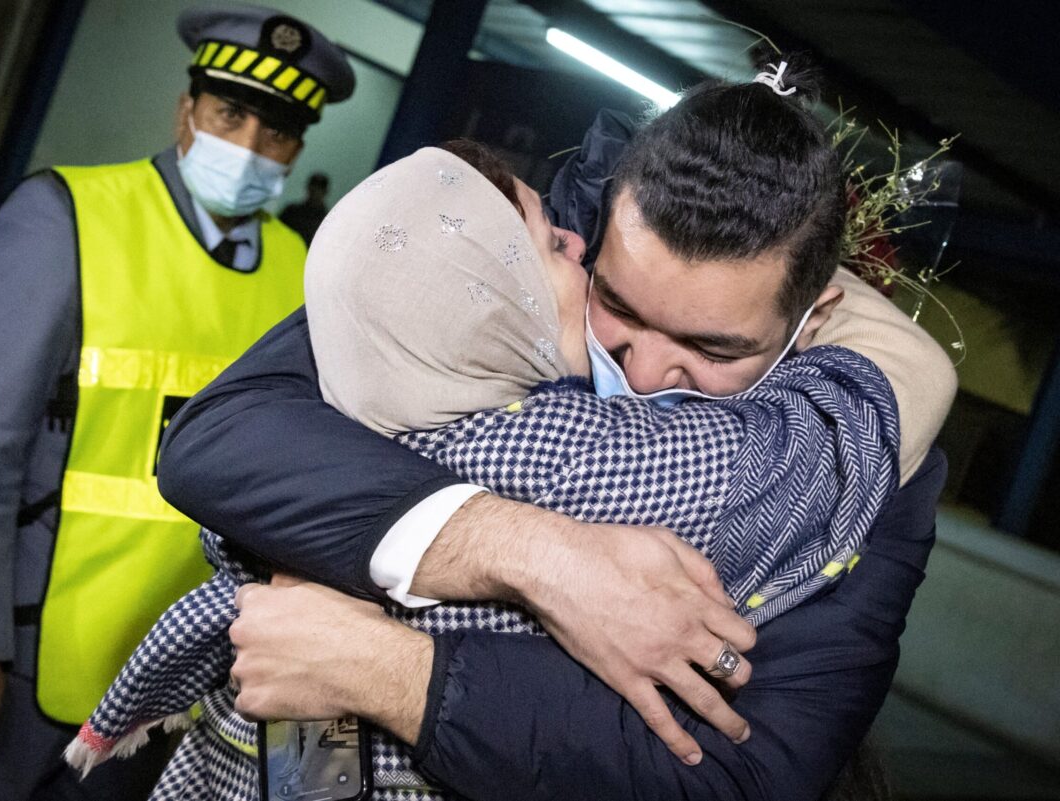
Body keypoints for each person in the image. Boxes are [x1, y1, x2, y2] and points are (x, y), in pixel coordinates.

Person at [161, 57, 957, 798]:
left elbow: (750, 772)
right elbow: (225, 434)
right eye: (618, 306)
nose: (645, 372)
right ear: (596, 230)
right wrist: (535, 554)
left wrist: (389, 670)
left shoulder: (861, 463)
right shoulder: (496, 274)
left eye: (712, 348)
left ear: (809, 321)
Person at [0, 7, 355, 801]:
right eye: (228, 114)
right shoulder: (67, 215)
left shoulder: (299, 275)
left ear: (298, 149)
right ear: (186, 111)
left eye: (274, 132)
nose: (246, 147)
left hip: (174, 689)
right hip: (27, 652)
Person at [280, 172, 331, 243]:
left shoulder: (327, 221)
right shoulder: (291, 212)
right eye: (313, 186)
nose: (315, 191)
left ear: (325, 192)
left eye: (319, 188)